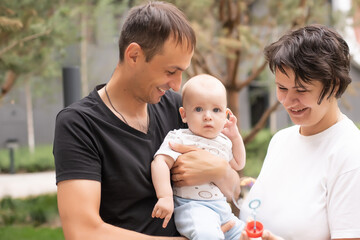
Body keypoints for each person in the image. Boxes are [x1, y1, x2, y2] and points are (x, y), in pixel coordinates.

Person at [53, 1, 240, 240]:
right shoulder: (79, 124)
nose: (177, 84)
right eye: (171, 72)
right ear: (134, 55)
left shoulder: (178, 108)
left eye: (182, 72)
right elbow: (82, 231)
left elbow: (235, 190)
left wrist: (220, 170)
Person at [239, 24, 360, 240]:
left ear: (334, 85)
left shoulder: (350, 154)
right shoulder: (280, 141)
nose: (287, 101)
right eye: (282, 88)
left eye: (301, 90)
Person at [151, 74, 246, 240]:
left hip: (223, 209)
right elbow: (160, 163)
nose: (208, 116)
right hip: (193, 208)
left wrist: (235, 137)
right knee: (208, 235)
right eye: (199, 109)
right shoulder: (179, 137)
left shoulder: (223, 141)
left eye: (216, 110)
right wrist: (165, 197)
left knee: (250, 235)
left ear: (226, 114)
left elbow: (238, 163)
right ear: (184, 114)